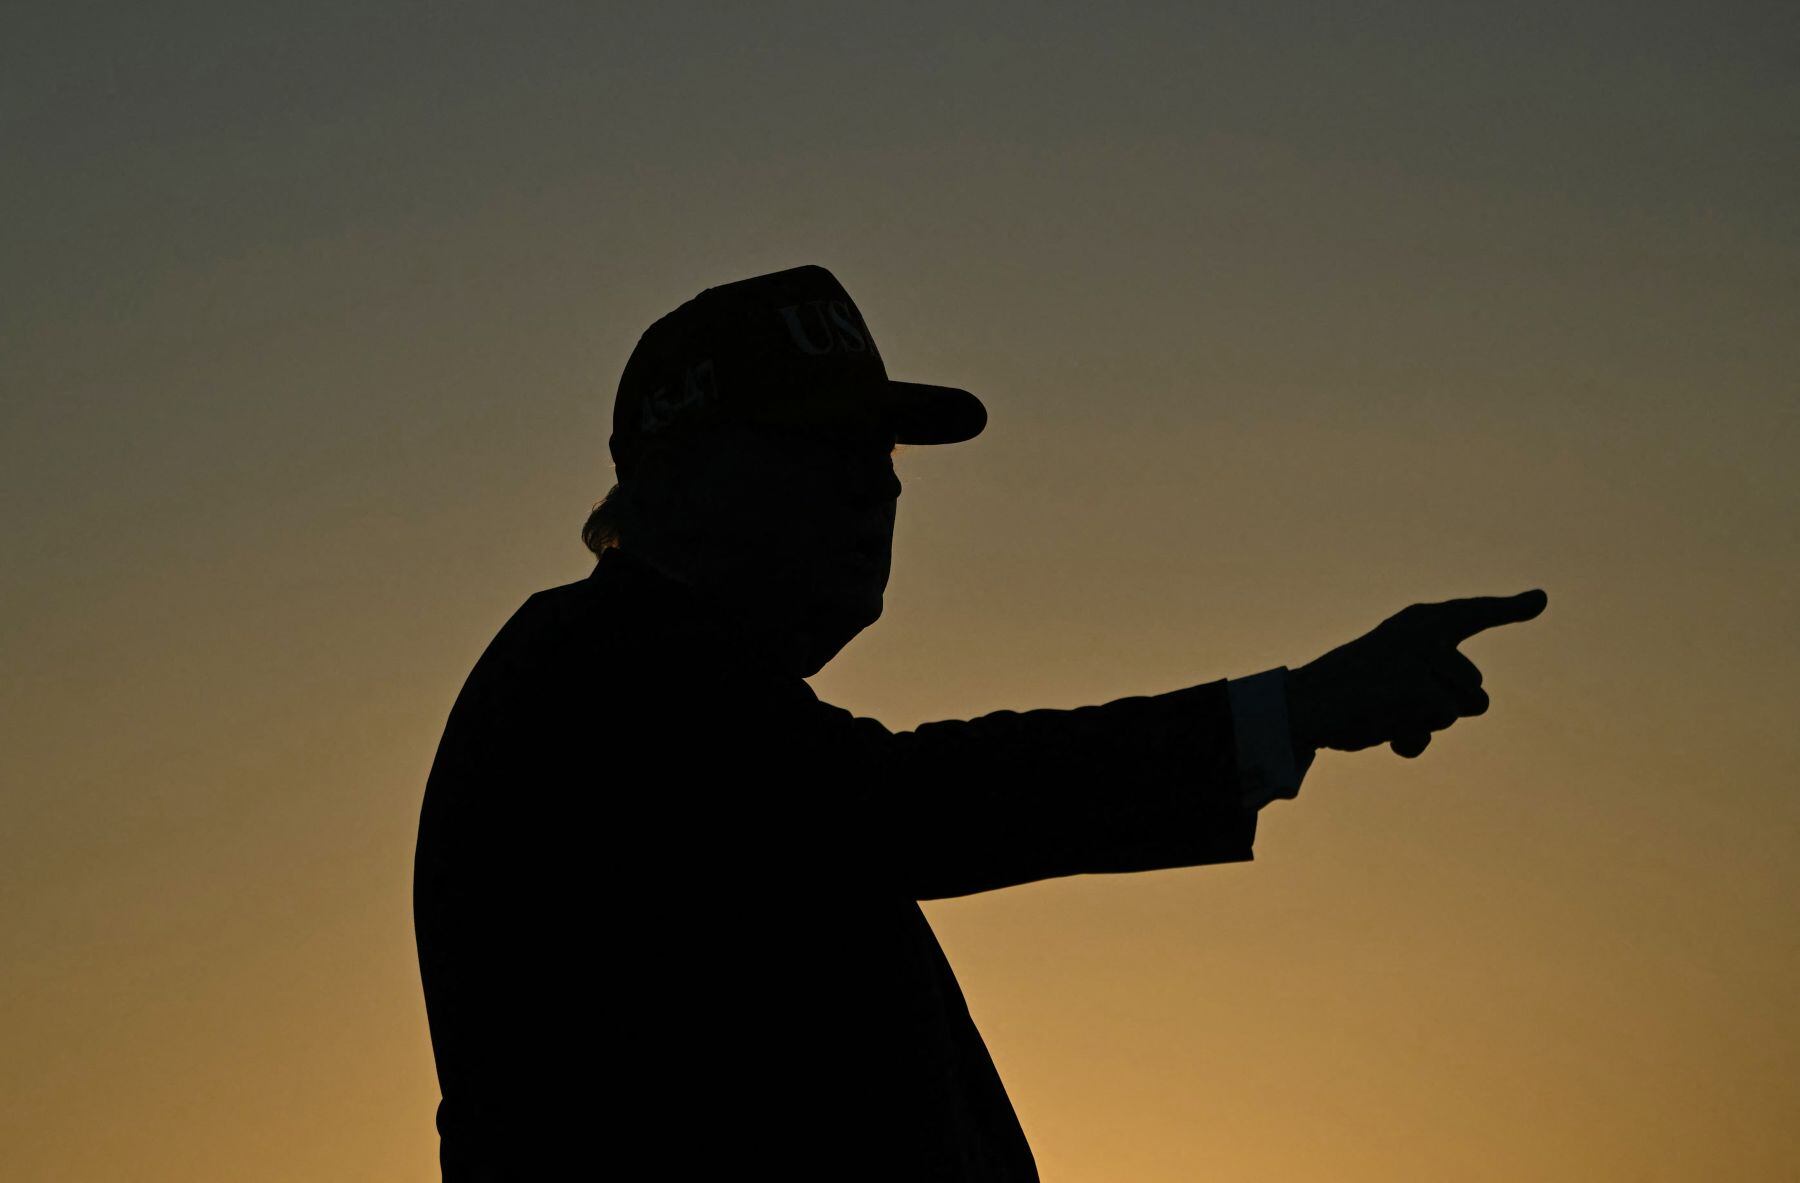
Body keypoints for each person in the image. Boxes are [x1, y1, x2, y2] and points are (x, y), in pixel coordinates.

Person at [412, 264, 1548, 1180]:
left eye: (884, 453)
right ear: (676, 479)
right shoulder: (598, 682)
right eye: (822, 448)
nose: (881, 488)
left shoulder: (665, 699)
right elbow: (912, 806)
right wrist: (1291, 711)